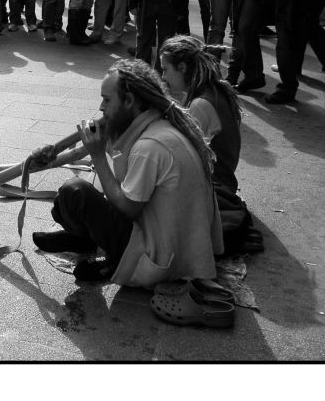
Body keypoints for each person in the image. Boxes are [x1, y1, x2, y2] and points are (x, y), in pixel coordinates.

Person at [29, 58, 223, 285]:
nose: (101, 108)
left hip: (160, 258)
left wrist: (99, 157)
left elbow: (127, 209)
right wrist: (50, 155)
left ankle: (115, 259)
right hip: (174, 243)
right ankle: (85, 241)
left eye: (107, 99)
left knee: (75, 192)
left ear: (129, 101)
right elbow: (87, 148)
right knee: (65, 202)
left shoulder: (150, 146)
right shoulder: (155, 122)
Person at [159, 35, 260, 254]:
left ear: (183, 67)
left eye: (165, 69)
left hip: (216, 185)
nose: (163, 77)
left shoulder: (201, 104)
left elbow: (179, 158)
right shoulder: (211, 89)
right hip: (222, 179)